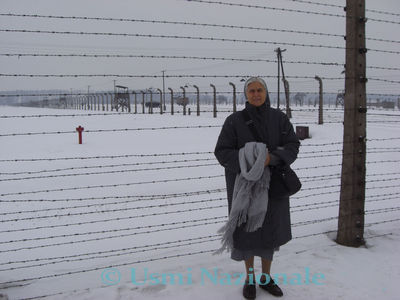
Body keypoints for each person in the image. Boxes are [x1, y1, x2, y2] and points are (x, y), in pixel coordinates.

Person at [214, 77, 300, 299]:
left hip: (274, 185)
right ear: (246, 94)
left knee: (270, 232)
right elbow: (222, 151)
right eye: (251, 90)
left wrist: (272, 158)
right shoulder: (234, 121)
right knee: (247, 233)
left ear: (266, 92)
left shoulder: (279, 118)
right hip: (244, 189)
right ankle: (250, 278)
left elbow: (292, 145)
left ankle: (266, 278)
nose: (255, 94)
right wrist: (248, 160)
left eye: (259, 90)